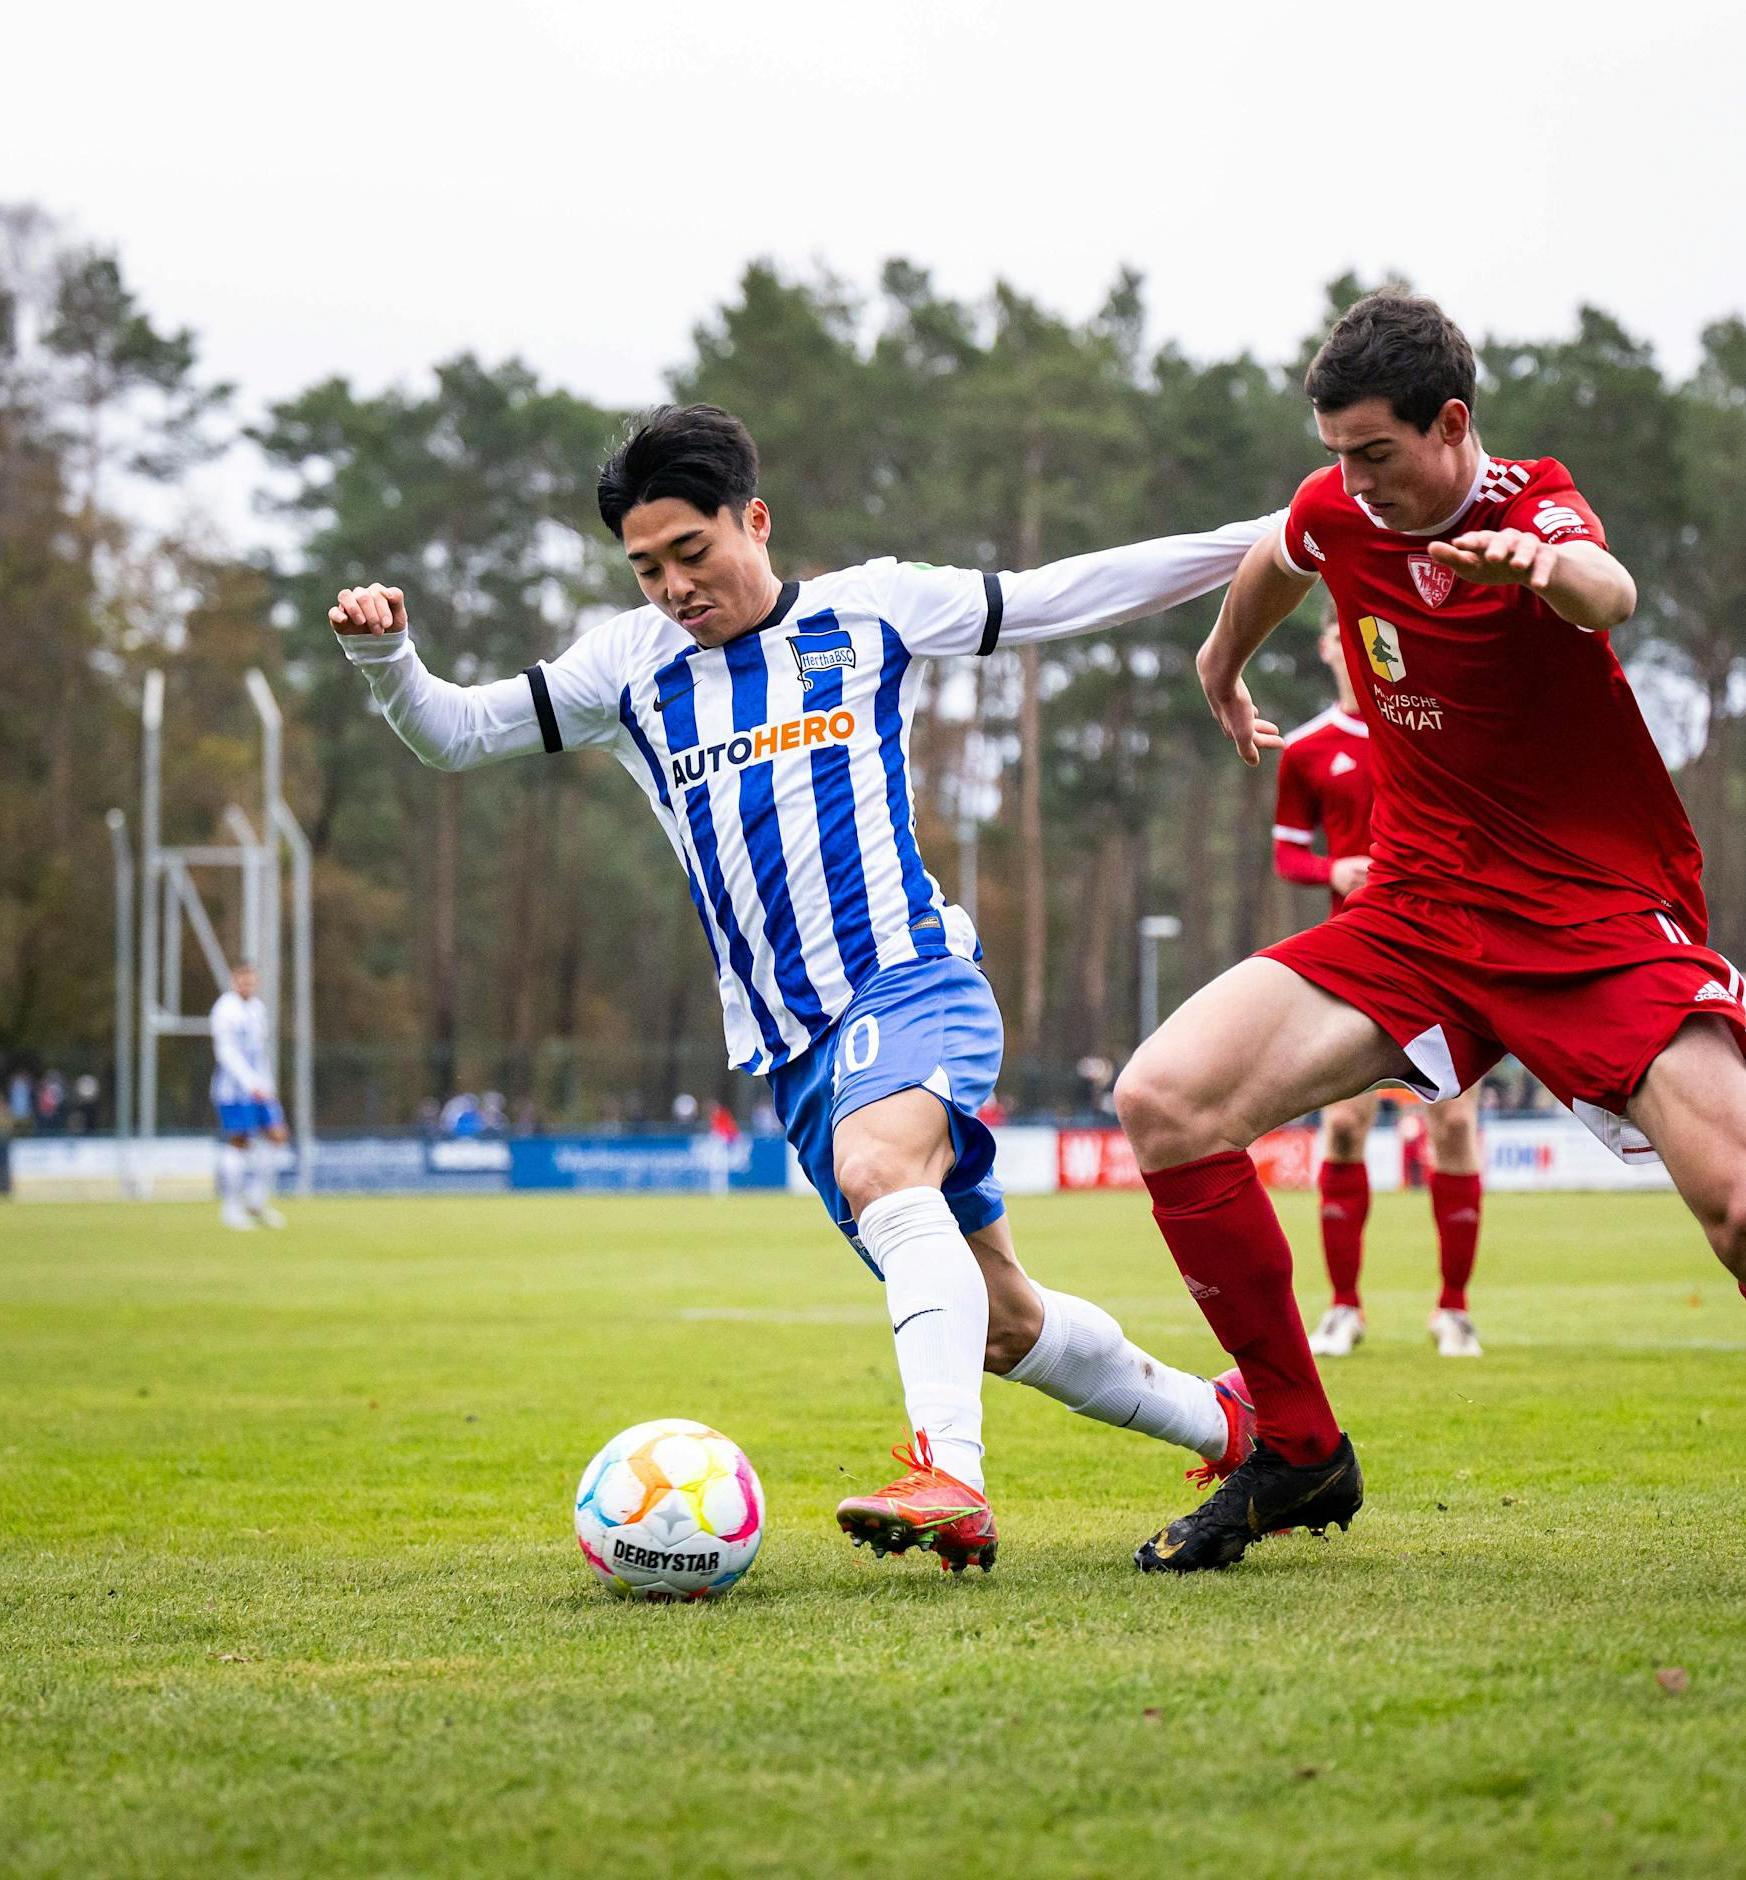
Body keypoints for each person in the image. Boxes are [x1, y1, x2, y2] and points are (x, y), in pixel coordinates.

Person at [332, 402, 1276, 1573]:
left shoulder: (865, 610)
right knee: (1002, 1319)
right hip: (791, 1049)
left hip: (910, 973)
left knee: (881, 1166)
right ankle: (1235, 1423)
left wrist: (1286, 528)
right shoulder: (625, 666)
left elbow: (1057, 592)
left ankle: (950, 1480)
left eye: (692, 551)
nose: (673, 585)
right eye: (646, 567)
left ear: (755, 520)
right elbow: (456, 734)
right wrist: (386, 656)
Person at [1116, 291, 1746, 1573]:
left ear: (1449, 423)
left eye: (1374, 453)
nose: (1350, 480)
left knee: (1736, 1202)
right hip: (1414, 914)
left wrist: (1544, 566)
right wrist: (1219, 666)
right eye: (1336, 451)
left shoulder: (1531, 504)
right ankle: (1293, 1448)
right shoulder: (1337, 505)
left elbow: (1602, 584)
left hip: (1587, 921)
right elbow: (1280, 554)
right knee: (1162, 1098)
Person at [1272, 609, 1487, 1358]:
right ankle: (1344, 1308)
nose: (1362, 644)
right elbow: (1289, 854)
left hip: (1442, 957)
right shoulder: (1305, 750)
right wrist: (1331, 870)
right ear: (1329, 648)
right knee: (1342, 1125)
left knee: (1455, 1126)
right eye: (1346, 633)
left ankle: (1453, 1309)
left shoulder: (1429, 729)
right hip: (1355, 964)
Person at [209, 962, 289, 1230]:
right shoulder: (225, 1009)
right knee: (239, 1141)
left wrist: (266, 1083)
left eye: (252, 980)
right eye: (243, 980)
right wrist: (248, 1081)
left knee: (277, 1135)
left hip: (259, 1087)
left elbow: (260, 1052)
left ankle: (256, 1203)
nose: (248, 984)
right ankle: (230, 1209)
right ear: (234, 980)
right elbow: (226, 1052)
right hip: (233, 1089)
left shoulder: (257, 1010)